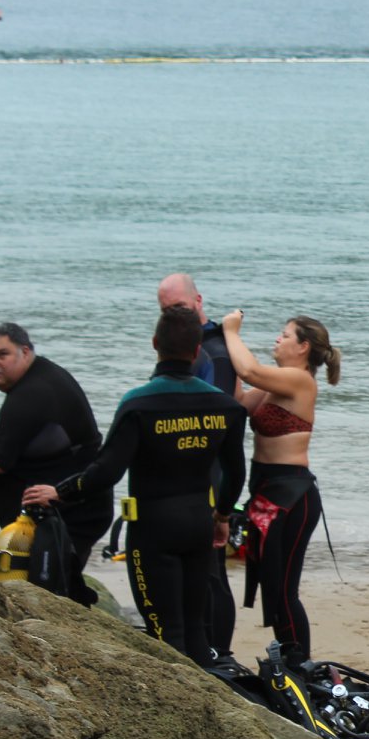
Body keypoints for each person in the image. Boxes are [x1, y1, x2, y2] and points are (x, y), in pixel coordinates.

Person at [23, 305, 245, 666]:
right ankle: (208, 689)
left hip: (153, 530)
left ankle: (181, 698)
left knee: (165, 634)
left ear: (155, 343)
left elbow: (106, 471)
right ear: (196, 352)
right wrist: (221, 516)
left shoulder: (139, 403)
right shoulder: (224, 406)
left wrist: (59, 492)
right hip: (198, 524)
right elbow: (236, 473)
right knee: (196, 630)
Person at [0, 323, 113, 606]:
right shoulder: (40, 377)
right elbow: (15, 431)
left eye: (2, 354)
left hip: (73, 513)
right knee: (55, 590)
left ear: (25, 351)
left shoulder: (30, 394)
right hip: (76, 506)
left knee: (51, 597)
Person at [221, 309, 340, 666]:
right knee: (272, 587)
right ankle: (291, 659)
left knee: (284, 590)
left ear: (303, 347)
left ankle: (299, 663)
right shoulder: (274, 386)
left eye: (285, 335)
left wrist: (231, 331)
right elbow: (239, 401)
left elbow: (250, 370)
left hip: (293, 496)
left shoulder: (300, 380)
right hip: (267, 492)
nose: (277, 338)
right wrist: (220, 351)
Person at [158, 272, 239, 656]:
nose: (174, 314)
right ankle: (201, 647)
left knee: (211, 571)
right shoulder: (188, 346)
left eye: (179, 306)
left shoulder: (215, 352)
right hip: (183, 477)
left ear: (199, 301)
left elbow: (215, 418)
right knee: (195, 572)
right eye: (166, 309)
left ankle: (219, 651)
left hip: (207, 473)